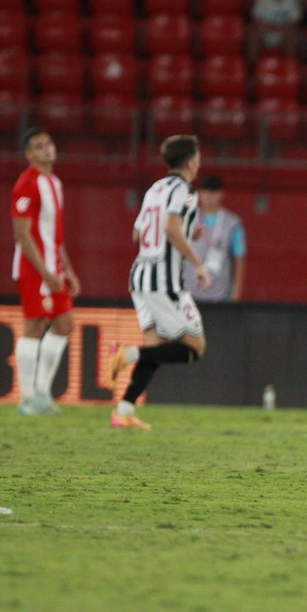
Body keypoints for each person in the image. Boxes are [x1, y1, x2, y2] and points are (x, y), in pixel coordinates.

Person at [107, 136, 209, 430]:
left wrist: (189, 232)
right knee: (194, 348)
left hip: (139, 276)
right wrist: (197, 264)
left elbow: (137, 235)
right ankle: (126, 354)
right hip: (164, 281)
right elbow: (171, 228)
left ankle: (124, 412)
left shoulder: (155, 189)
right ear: (190, 161)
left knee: (157, 348)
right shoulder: (186, 192)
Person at [11, 128, 81, 416]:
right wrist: (43, 271)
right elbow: (22, 234)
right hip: (35, 267)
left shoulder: (54, 182)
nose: (47, 149)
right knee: (35, 325)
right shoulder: (26, 183)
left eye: (49, 143)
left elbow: (54, 235)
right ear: (29, 155)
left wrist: (68, 270)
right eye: (39, 146)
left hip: (53, 267)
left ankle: (41, 392)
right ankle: (28, 398)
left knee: (64, 324)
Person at [185, 175, 246, 302]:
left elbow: (239, 259)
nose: (209, 196)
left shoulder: (232, 223)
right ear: (200, 193)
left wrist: (236, 293)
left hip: (220, 293)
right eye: (206, 191)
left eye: (213, 192)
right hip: (189, 291)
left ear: (221, 194)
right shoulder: (188, 219)